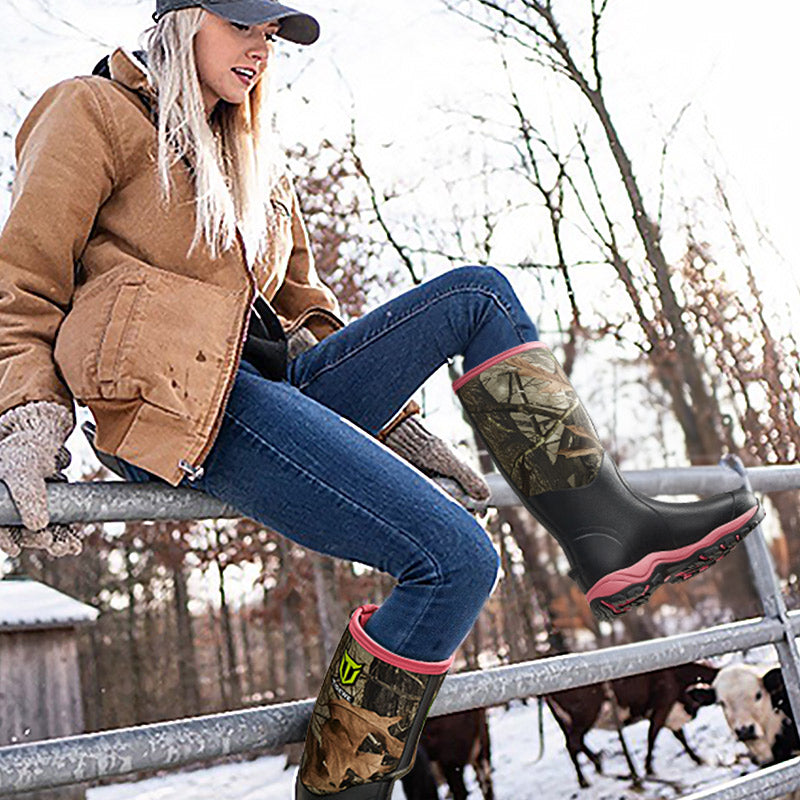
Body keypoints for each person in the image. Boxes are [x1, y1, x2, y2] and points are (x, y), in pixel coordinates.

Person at [0, 1, 764, 797]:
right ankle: (340, 786)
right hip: (176, 403)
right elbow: (21, 281)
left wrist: (395, 420)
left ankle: (606, 526)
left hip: (267, 391)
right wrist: (28, 413)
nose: (260, 51)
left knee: (481, 295)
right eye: (242, 28)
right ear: (183, 20)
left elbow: (307, 317)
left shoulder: (255, 157)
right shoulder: (89, 110)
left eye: (271, 36)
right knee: (457, 559)